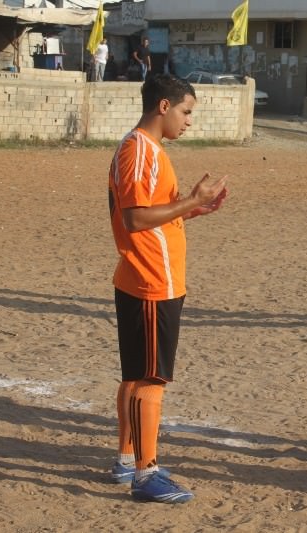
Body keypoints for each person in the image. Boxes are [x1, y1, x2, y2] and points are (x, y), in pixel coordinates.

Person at [108, 73, 228, 503]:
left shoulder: (148, 150)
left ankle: (127, 460)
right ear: (163, 107)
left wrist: (195, 210)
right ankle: (146, 473)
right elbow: (135, 218)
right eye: (186, 111)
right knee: (150, 379)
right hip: (151, 280)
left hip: (146, 276)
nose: (189, 121)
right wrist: (192, 200)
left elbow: (154, 214)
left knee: (135, 376)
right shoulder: (140, 150)